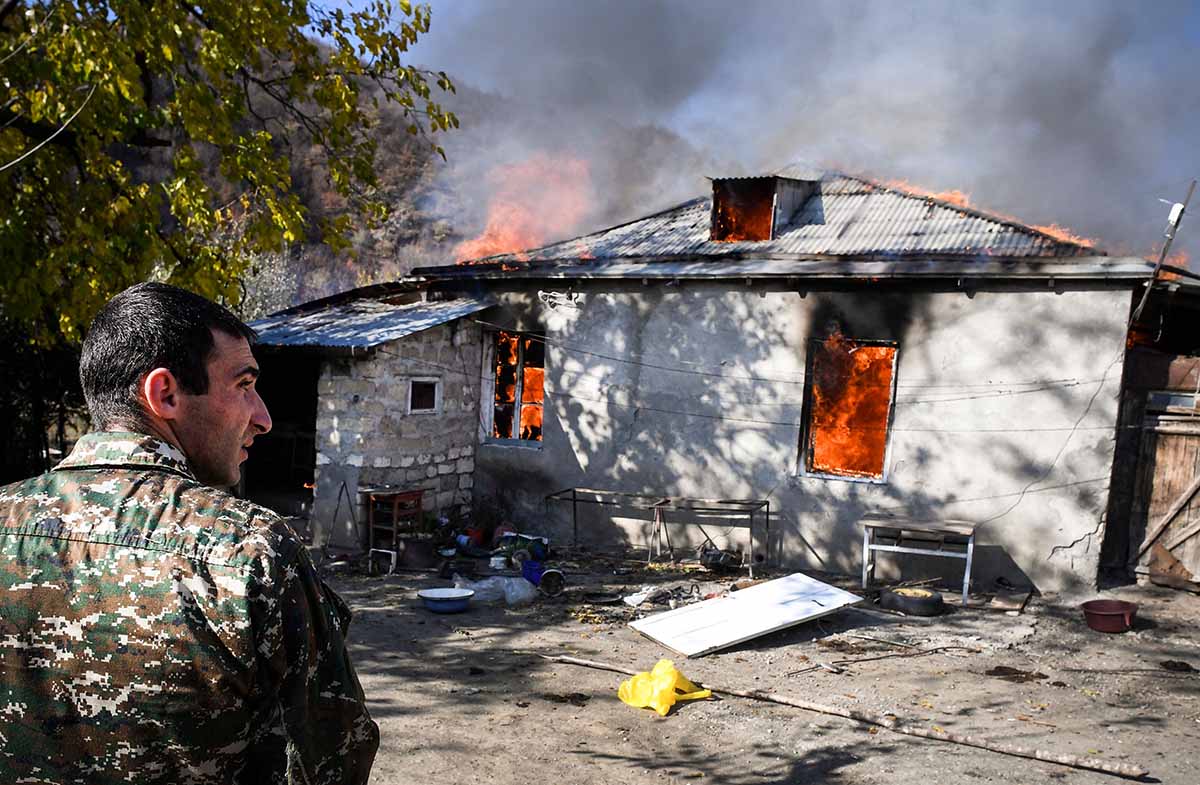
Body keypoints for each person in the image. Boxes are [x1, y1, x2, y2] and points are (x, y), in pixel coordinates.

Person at [0, 282, 378, 784]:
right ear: (166, 394)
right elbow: (334, 760)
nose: (263, 418)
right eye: (244, 385)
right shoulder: (251, 551)